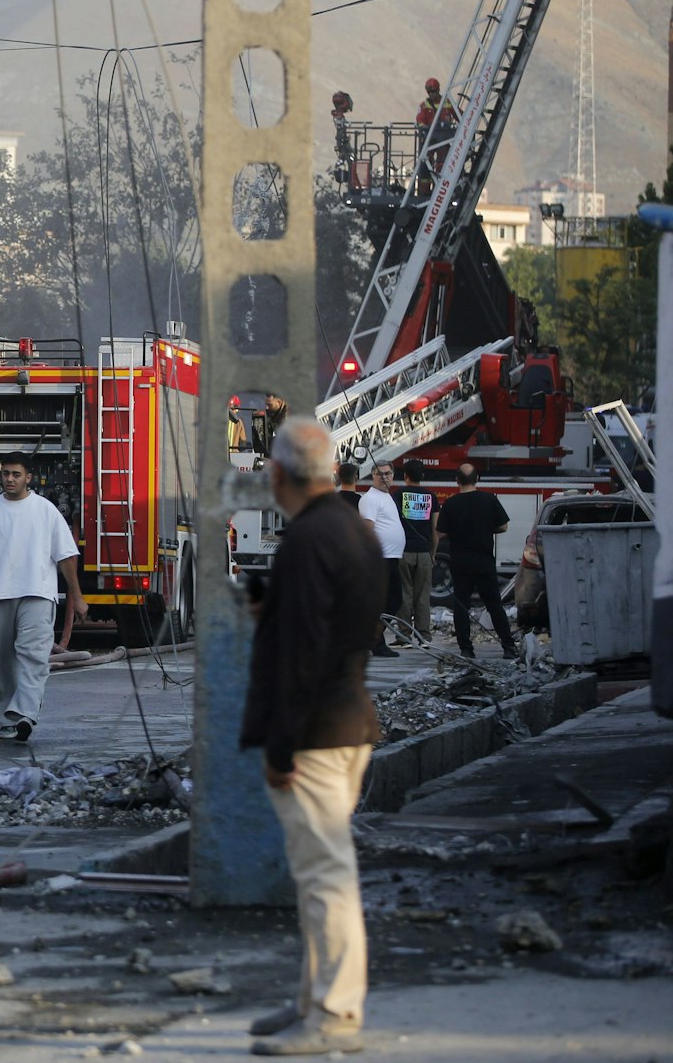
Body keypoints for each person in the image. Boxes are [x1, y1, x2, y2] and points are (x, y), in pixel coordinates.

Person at [239, 418, 383, 1056]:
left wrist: (279, 748)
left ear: (277, 474)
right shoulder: (356, 530)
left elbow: (302, 655)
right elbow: (338, 627)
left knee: (326, 874)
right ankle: (310, 999)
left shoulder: (302, 541)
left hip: (314, 736)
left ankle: (333, 1014)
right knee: (318, 874)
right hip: (350, 720)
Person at [0, 453, 86, 743]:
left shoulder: (45, 510)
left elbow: (66, 556)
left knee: (33, 657)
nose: (9, 479)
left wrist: (78, 597)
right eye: (6, 473)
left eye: (16, 474)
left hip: (38, 593)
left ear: (28, 478)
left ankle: (24, 714)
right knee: (1, 664)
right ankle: (7, 721)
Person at [435, 463, 517, 660]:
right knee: (494, 605)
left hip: (461, 562)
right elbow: (503, 527)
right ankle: (508, 647)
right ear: (477, 479)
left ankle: (466, 649)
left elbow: (441, 532)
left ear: (456, 480)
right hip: (484, 561)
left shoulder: (451, 504)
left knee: (461, 605)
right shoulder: (489, 500)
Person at [358, 462, 406, 658]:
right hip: (380, 559)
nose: (384, 477)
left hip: (392, 557)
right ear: (373, 476)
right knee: (388, 601)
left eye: (387, 473)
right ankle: (375, 641)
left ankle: (373, 638)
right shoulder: (370, 499)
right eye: (379, 474)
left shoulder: (387, 497)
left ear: (393, 475)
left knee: (392, 601)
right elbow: (366, 529)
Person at [392, 461, 437, 636]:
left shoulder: (398, 495)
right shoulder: (430, 496)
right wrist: (432, 553)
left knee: (405, 594)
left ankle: (404, 635)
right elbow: (435, 530)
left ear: (405, 476)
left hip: (404, 551)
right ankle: (424, 634)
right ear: (423, 476)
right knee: (423, 596)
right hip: (424, 551)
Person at [254, 392, 289, 458]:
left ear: (279, 403)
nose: (267, 407)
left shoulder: (291, 418)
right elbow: (262, 440)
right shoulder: (267, 415)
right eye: (266, 405)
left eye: (269, 405)